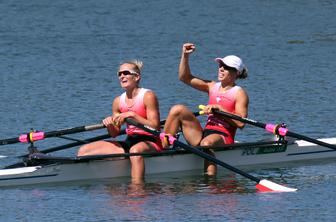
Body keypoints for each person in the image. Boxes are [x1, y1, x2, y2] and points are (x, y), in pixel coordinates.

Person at [163, 43, 249, 176]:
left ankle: (210, 181)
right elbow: (184, 78)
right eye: (220, 65)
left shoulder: (239, 93)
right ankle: (162, 149)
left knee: (207, 142)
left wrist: (220, 109)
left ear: (236, 73)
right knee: (177, 109)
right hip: (204, 133)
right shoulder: (212, 86)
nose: (221, 69)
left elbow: (241, 123)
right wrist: (185, 56)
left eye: (226, 67)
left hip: (223, 136)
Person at [77, 60, 163, 184]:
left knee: (135, 151)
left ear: (137, 77)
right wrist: (110, 124)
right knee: (83, 151)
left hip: (151, 141)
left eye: (126, 73)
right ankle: (107, 180)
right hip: (130, 141)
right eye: (119, 74)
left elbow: (155, 126)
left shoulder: (148, 96)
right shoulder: (118, 101)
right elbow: (114, 134)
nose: (122, 76)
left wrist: (132, 115)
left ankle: (137, 188)